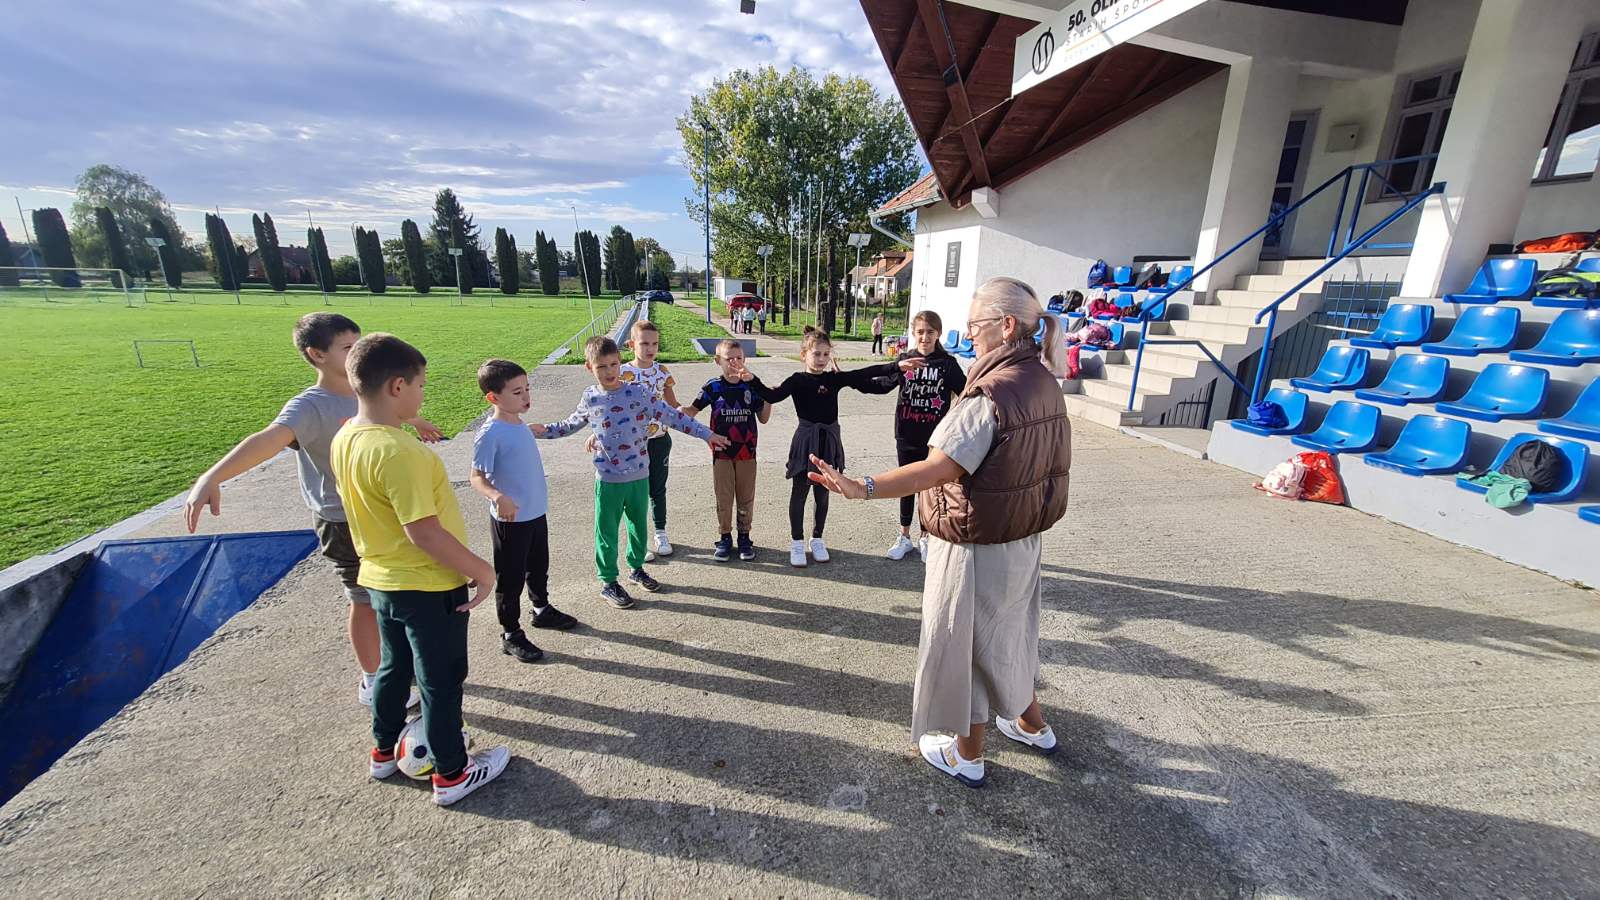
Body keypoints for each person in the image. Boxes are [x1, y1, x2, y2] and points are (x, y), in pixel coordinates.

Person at [808, 276, 1071, 788]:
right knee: (1011, 636)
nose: (968, 334)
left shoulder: (990, 395)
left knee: (963, 647)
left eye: (974, 324)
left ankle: (967, 754)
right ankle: (1031, 725)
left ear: (1006, 325)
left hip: (976, 545)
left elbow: (936, 469)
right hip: (1021, 538)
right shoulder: (1042, 379)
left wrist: (861, 487)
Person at [183, 312, 439, 709]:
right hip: (342, 520)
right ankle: (373, 677)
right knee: (364, 599)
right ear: (317, 354)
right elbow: (268, 439)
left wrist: (417, 421)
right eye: (348, 347)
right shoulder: (309, 406)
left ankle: (399, 665)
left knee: (394, 593)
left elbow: (391, 408)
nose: (357, 352)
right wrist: (212, 476)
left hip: (383, 514)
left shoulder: (366, 390)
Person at [331, 333, 511, 807]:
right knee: (440, 680)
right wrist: (482, 571)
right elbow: (424, 532)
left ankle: (383, 751)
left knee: (393, 669)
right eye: (420, 385)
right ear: (397, 386)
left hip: (381, 580)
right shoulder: (400, 452)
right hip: (428, 585)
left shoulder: (346, 436)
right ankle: (452, 772)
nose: (422, 394)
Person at [535, 336, 728, 609]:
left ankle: (636, 568)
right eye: (601, 366)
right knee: (607, 532)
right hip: (608, 480)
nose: (609, 371)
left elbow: (673, 416)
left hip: (639, 475)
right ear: (589, 367)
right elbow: (568, 425)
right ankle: (608, 582)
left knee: (638, 527)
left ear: (620, 362)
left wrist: (706, 434)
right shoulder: (590, 397)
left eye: (613, 364)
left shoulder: (638, 393)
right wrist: (539, 431)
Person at [750, 327, 908, 568]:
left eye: (826, 354)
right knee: (800, 491)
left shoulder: (834, 379)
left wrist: (896, 366)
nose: (822, 359)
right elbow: (772, 397)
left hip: (829, 441)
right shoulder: (797, 380)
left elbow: (864, 373)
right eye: (816, 354)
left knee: (823, 492)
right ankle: (796, 542)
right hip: (806, 440)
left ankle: (817, 538)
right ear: (804, 355)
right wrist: (751, 379)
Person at [469, 359, 579, 665]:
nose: (526, 396)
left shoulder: (519, 425)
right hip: (511, 520)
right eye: (517, 392)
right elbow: (476, 477)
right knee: (510, 578)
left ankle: (541, 610)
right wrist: (497, 496)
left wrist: (529, 431)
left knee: (538, 567)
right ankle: (510, 633)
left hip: (535, 513)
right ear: (493, 397)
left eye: (527, 389)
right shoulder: (490, 434)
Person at [856, 310, 967, 562]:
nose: (925, 337)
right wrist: (849, 380)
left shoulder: (947, 364)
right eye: (920, 332)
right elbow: (882, 385)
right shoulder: (905, 360)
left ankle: (926, 536)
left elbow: (965, 392)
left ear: (938, 333)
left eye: (930, 332)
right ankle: (904, 536)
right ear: (913, 333)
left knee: (930, 488)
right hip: (906, 433)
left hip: (935, 439)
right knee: (906, 484)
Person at [680, 339, 773, 562]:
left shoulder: (752, 386)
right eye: (729, 359)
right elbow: (692, 411)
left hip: (747, 452)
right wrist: (673, 410)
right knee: (724, 496)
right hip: (722, 452)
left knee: (745, 497)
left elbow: (763, 418)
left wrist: (769, 398)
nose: (734, 362)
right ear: (717, 361)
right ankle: (724, 537)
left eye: (738, 358)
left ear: (745, 359)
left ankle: (744, 536)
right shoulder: (713, 387)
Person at [619, 320, 679, 560]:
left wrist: (693, 415)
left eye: (654, 343)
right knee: (636, 492)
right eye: (644, 343)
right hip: (632, 444)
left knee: (657, 489)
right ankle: (638, 539)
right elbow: (612, 406)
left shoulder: (662, 371)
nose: (650, 348)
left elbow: (673, 405)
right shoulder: (622, 373)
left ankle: (660, 532)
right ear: (632, 344)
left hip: (659, 440)